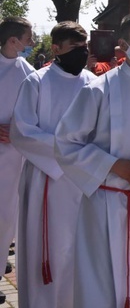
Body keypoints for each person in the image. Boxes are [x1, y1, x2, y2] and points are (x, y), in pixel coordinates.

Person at [54, 13, 130, 308]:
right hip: (104, 201)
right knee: (97, 280)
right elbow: (66, 142)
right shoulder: (97, 90)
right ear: (123, 45)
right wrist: (114, 165)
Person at [10, 21, 96, 308]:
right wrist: (67, 156)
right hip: (45, 179)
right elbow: (22, 132)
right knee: (44, 252)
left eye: (84, 48)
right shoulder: (36, 82)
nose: (81, 54)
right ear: (56, 49)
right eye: (74, 48)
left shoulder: (93, 84)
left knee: (77, 252)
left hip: (82, 181)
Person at [0, 17, 35, 306]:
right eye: (28, 38)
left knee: (6, 218)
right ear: (13, 41)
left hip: (13, 160)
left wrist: (18, 130)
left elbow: (34, 113)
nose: (31, 44)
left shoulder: (28, 73)